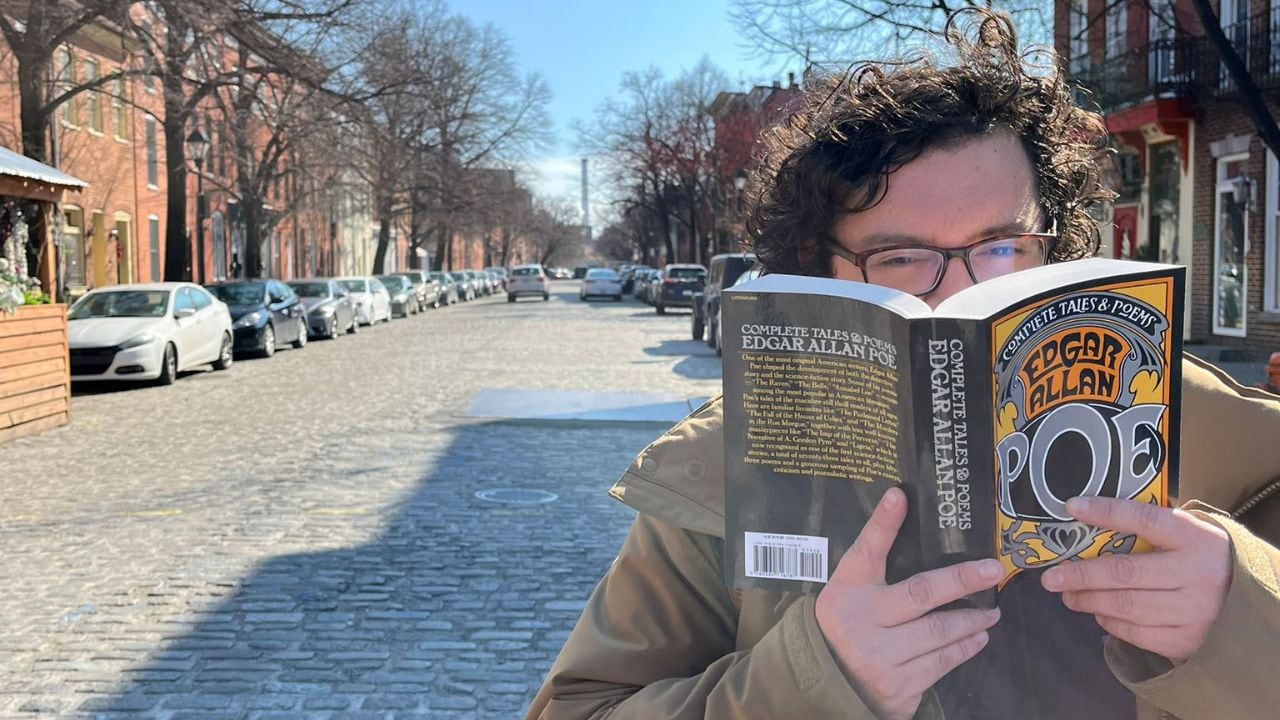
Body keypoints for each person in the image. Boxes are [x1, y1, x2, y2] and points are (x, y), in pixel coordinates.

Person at [527, 11, 1280, 720]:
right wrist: (817, 676)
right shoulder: (726, 472)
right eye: (902, 258)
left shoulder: (1228, 443)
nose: (965, 291)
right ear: (818, 276)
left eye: (1002, 245)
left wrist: (1240, 614)